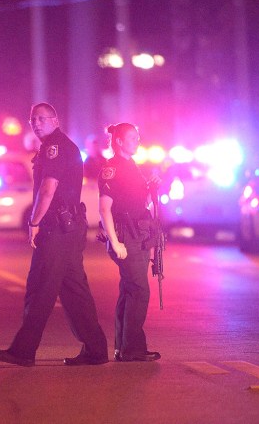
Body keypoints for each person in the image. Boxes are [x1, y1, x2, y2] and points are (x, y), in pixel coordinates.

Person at [0, 103, 109, 367]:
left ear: (56, 120)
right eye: (32, 119)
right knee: (74, 291)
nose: (36, 123)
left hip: (57, 229)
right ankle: (96, 349)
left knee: (40, 289)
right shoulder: (57, 146)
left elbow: (48, 189)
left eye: (42, 118)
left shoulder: (55, 148)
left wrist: (34, 222)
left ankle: (23, 351)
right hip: (69, 229)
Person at [98, 122, 161, 362]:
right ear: (119, 142)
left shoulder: (132, 166)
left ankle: (123, 347)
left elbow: (138, 202)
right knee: (139, 290)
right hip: (126, 236)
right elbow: (104, 209)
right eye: (132, 137)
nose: (137, 140)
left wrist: (151, 185)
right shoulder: (111, 168)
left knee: (129, 290)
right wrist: (115, 243)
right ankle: (132, 348)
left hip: (138, 234)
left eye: (138, 136)